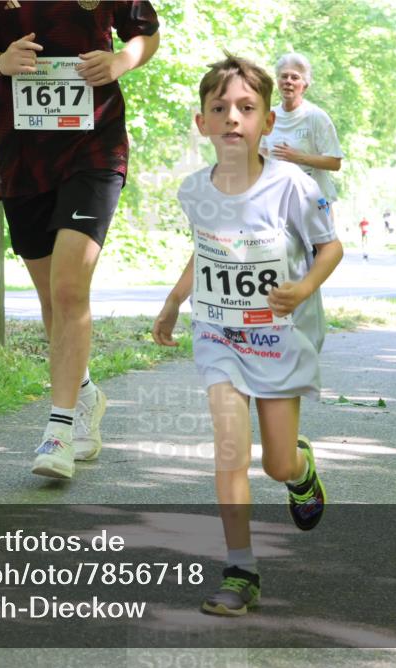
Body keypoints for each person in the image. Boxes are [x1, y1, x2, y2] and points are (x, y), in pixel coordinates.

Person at [152, 54, 343, 617]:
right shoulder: (195, 190)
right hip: (220, 335)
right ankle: (241, 569)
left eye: (246, 108)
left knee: (275, 464)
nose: (232, 117)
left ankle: (301, 472)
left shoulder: (293, 186)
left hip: (279, 336)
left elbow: (330, 246)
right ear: (202, 122)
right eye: (220, 108)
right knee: (230, 448)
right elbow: (207, 249)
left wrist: (303, 288)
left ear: (266, 122)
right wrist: (172, 302)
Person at [0, 1, 160, 478]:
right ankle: (84, 393)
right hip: (24, 157)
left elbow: (145, 33)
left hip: (94, 147)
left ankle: (59, 430)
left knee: (68, 289)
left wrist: (122, 60)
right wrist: (0, 62)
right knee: (51, 297)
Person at [260, 52, 343, 223]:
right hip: (279, 205)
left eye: (295, 77)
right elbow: (261, 157)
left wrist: (297, 157)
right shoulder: (268, 117)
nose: (288, 81)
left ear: (304, 85)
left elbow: (335, 162)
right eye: (284, 76)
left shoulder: (316, 117)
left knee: (318, 251)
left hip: (315, 203)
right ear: (278, 81)